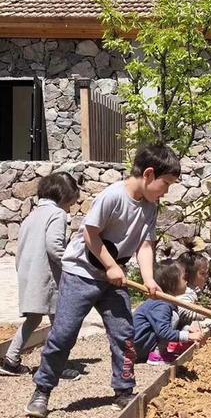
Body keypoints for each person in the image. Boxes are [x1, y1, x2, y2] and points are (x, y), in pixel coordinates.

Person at [25, 144, 181, 418]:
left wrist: (148, 280)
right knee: (63, 335)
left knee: (124, 335)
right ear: (148, 174)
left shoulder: (150, 207)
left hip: (115, 279)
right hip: (81, 274)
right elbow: (90, 234)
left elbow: (145, 245)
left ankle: (124, 390)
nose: (166, 191)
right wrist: (110, 266)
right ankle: (42, 390)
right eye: (166, 183)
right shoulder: (112, 197)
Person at [1, 173, 81, 380]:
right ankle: (56, 365)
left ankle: (11, 360)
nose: (70, 208)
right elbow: (54, 247)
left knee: (33, 318)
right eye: (71, 203)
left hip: (29, 274)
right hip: (48, 278)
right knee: (60, 322)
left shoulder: (33, 215)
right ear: (64, 196)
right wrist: (73, 264)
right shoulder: (57, 215)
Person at [133, 260, 204, 365]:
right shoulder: (161, 304)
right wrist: (188, 336)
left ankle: (161, 350)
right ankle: (156, 355)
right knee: (174, 317)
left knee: (175, 317)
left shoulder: (167, 302)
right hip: (138, 347)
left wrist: (187, 329)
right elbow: (163, 331)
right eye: (184, 278)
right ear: (172, 283)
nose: (186, 282)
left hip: (142, 344)